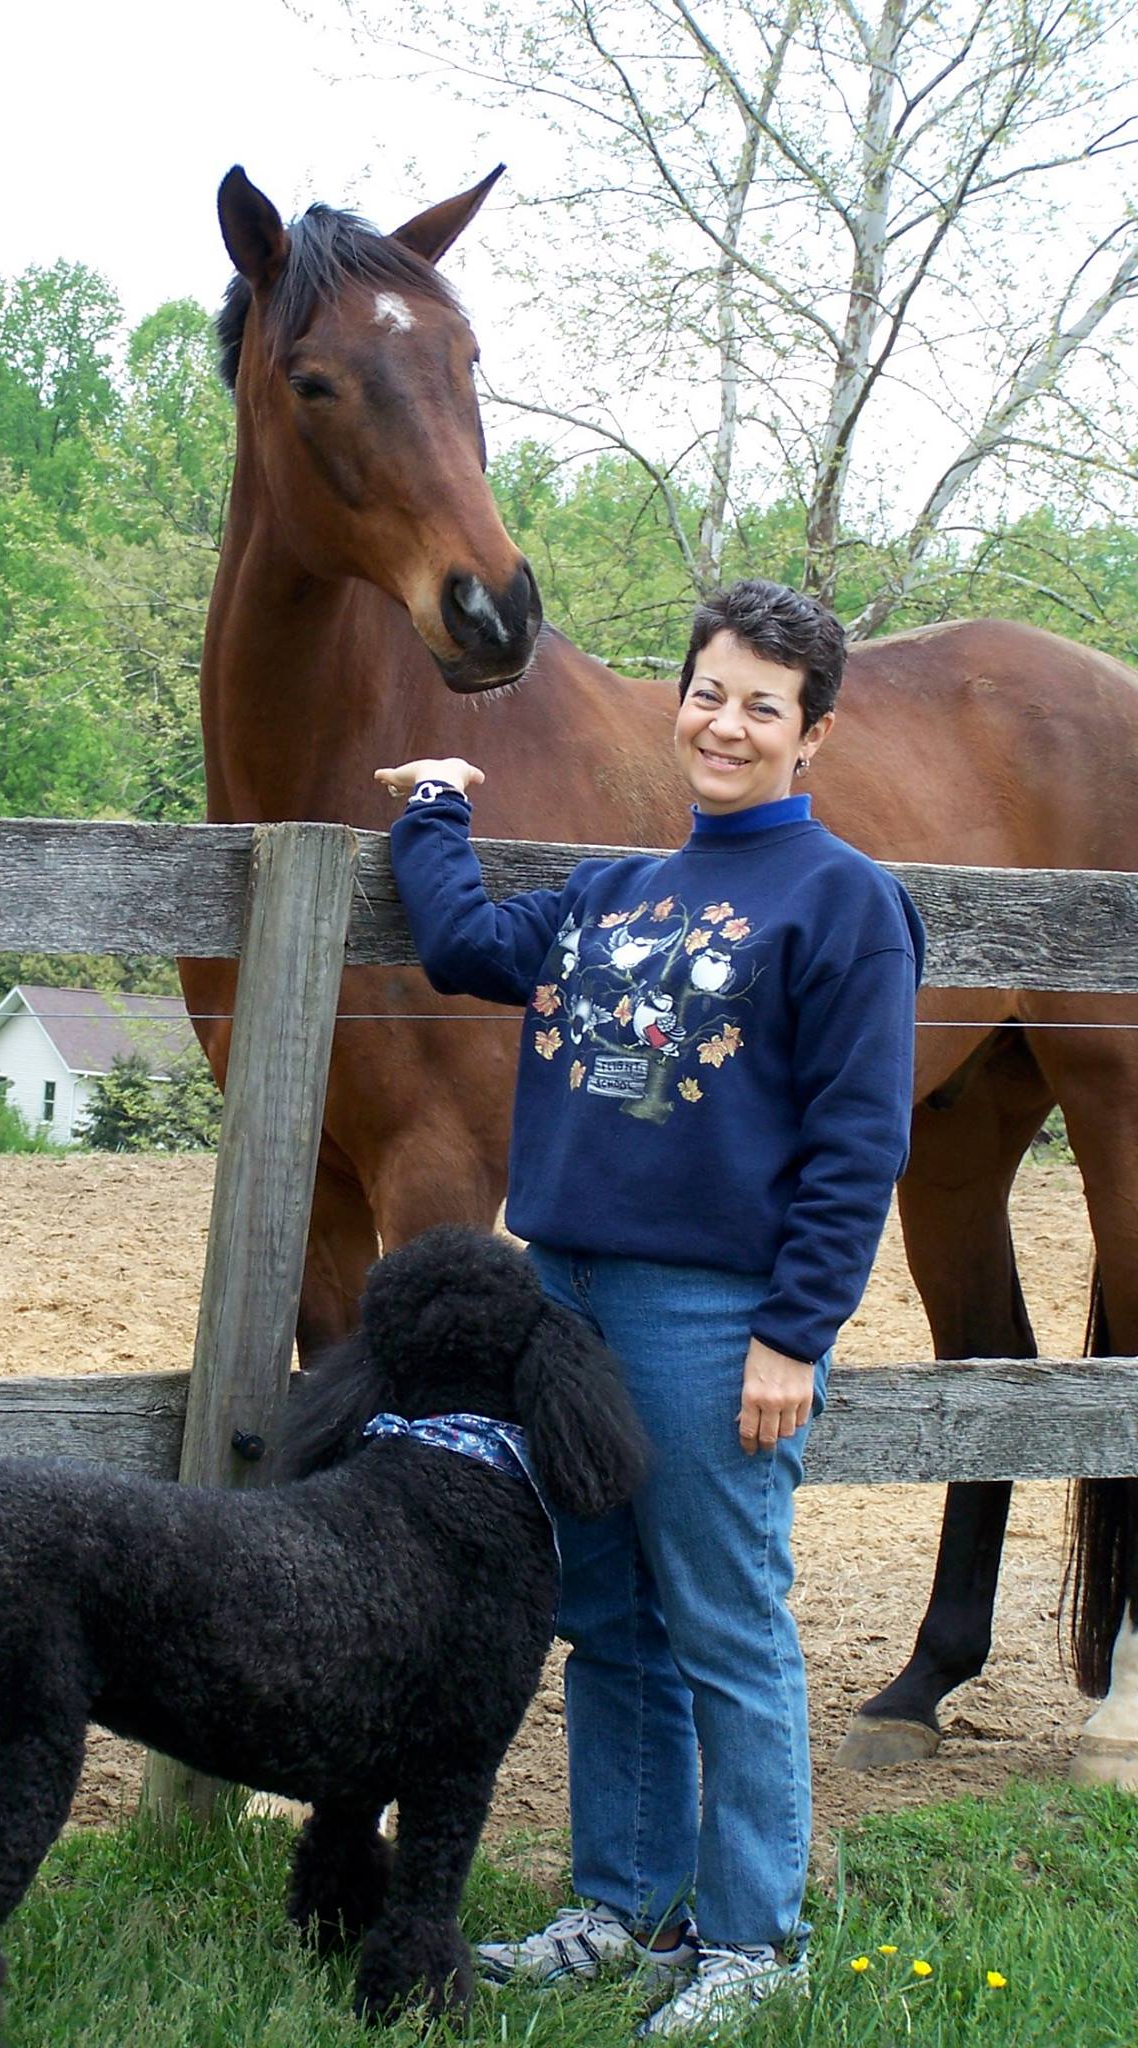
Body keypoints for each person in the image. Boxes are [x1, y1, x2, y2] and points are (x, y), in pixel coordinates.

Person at [375, 579, 924, 2038]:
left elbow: (861, 1139)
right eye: (708, 691)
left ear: (812, 737)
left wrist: (795, 1332)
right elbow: (466, 949)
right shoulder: (621, 894)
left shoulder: (847, 904)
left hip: (711, 1314)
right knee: (610, 1612)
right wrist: (435, 807)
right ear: (677, 700)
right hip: (567, 1298)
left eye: (764, 705)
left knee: (727, 1622)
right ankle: (621, 1906)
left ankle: (754, 1938)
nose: (726, 724)